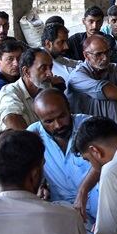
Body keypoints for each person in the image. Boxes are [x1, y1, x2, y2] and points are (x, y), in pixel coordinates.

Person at [30, 89, 98, 220]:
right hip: (61, 206)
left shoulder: (90, 126)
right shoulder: (33, 135)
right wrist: (41, 184)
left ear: (69, 108)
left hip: (97, 199)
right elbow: (33, 167)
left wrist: (83, 191)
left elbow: (103, 161)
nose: (58, 125)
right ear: (39, 119)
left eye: (62, 116)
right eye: (49, 121)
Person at [0, 47, 54, 131]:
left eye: (50, 67)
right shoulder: (10, 92)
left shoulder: (45, 87)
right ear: (26, 72)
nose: (50, 73)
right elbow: (12, 119)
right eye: (43, 68)